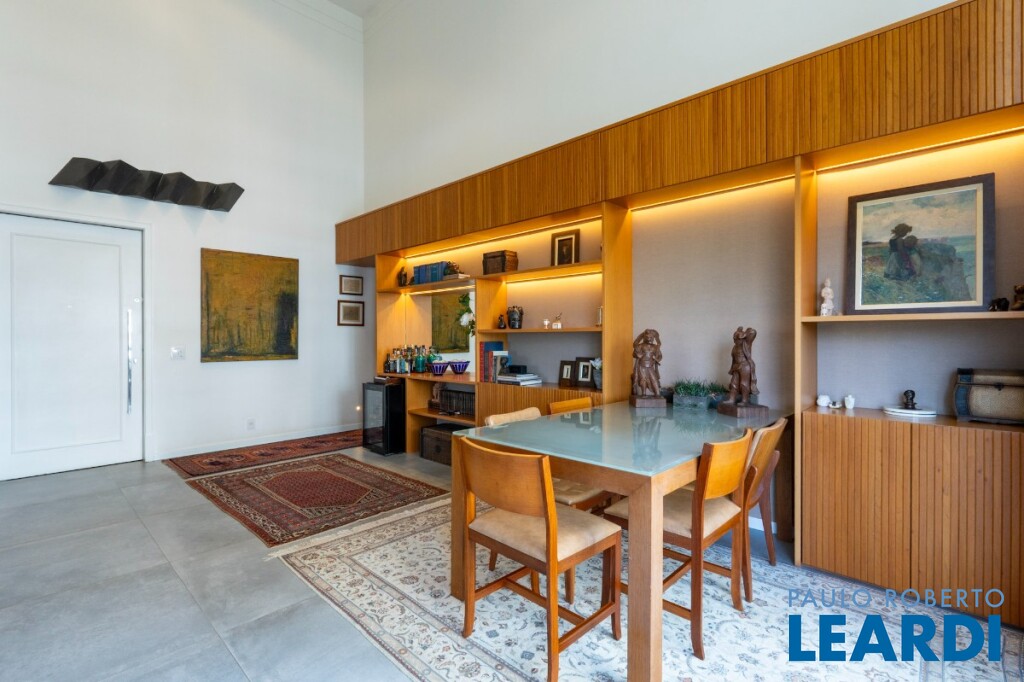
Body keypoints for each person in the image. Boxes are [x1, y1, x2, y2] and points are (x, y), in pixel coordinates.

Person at [725, 327, 758, 405]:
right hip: (736, 366)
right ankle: (731, 399)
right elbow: (734, 359)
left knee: (744, 383)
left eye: (737, 339)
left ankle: (744, 400)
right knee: (733, 383)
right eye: (734, 339)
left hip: (745, 366)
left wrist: (744, 334)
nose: (735, 340)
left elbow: (753, 332)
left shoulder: (746, 344)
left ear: (742, 339)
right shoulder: (734, 347)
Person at [631, 329, 663, 397]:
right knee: (643, 380)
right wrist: (637, 355)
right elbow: (634, 354)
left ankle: (657, 394)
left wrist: (656, 359)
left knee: (654, 379)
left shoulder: (655, 347)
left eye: (651, 337)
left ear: (653, 338)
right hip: (641, 366)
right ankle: (644, 393)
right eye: (647, 337)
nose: (649, 339)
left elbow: (660, 356)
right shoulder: (641, 346)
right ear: (644, 337)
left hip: (650, 366)